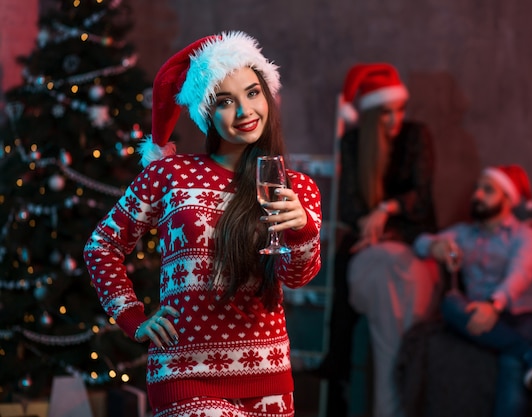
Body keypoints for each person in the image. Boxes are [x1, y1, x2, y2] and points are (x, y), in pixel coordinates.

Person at [83, 31, 322, 417]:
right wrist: (133, 317)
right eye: (225, 102)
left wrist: (303, 230)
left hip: (268, 378)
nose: (244, 112)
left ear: (267, 96)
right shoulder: (170, 174)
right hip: (184, 376)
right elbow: (101, 245)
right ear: (205, 112)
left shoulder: (297, 188)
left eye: (252, 93)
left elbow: (297, 276)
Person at [317, 63, 439, 417]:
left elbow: (422, 197)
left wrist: (386, 210)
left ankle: (339, 367)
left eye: (399, 110)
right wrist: (371, 227)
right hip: (366, 240)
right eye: (386, 113)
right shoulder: (354, 143)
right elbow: (351, 208)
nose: (395, 120)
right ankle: (336, 364)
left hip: (409, 234)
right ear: (370, 116)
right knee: (344, 259)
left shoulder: (417, 137)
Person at [413, 165, 532, 417]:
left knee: (510, 362)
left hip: (525, 313)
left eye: (488, 190)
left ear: (508, 199)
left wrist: (494, 305)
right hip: (476, 310)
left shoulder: (526, 236)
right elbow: (419, 242)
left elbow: (520, 274)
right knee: (450, 303)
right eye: (477, 188)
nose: (477, 195)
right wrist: (436, 246)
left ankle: (520, 353)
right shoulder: (463, 233)